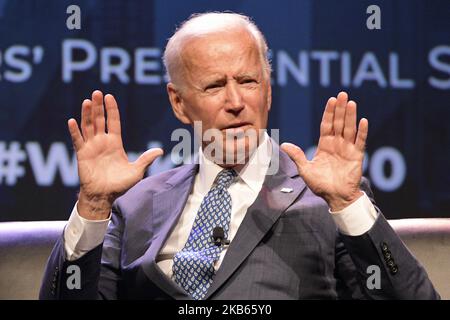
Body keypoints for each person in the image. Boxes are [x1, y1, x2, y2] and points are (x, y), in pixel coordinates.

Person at [39, 12, 438, 300]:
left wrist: (349, 203)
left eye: (248, 81)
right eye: (214, 86)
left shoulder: (326, 199)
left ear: (267, 89)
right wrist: (93, 204)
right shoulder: (136, 204)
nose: (235, 102)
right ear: (178, 103)